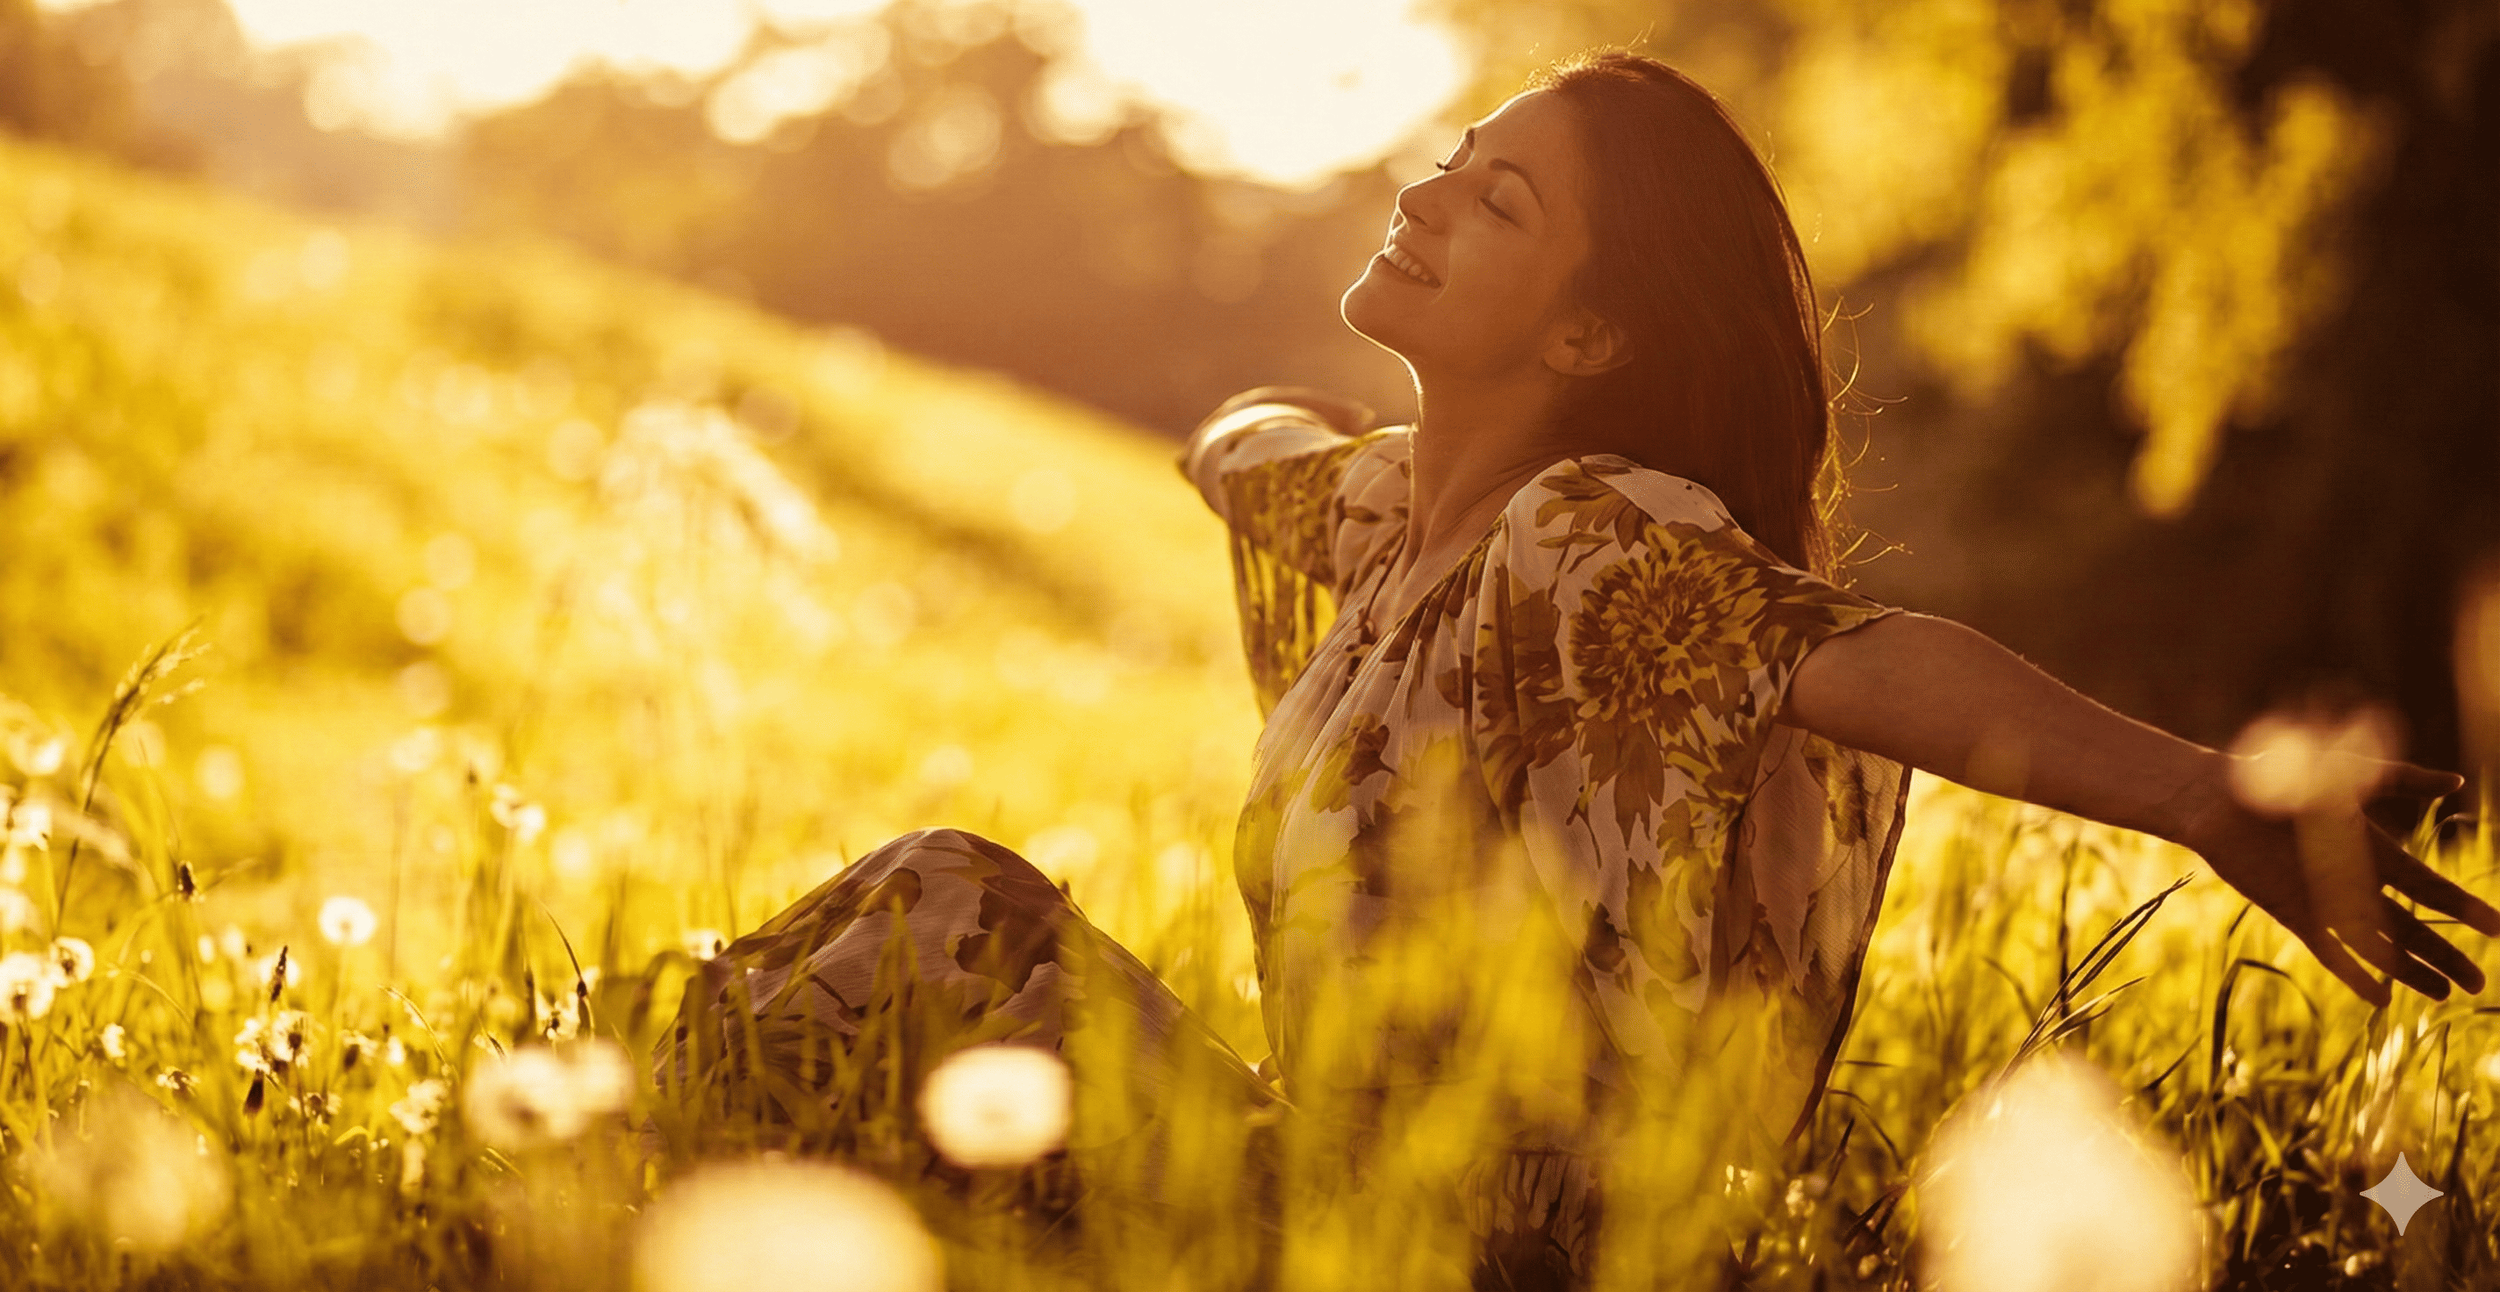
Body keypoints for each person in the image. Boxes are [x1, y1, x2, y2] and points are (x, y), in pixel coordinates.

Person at [656, 48, 2500, 1290]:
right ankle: (641, 1175)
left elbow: (1858, 654)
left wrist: (2198, 794)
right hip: (1322, 1190)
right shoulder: (1399, 528)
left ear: (1596, 328)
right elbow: (1237, 439)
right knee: (923, 918)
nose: (1433, 197)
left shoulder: (1590, 537)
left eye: (1502, 208)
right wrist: (1264, 452)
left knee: (945, 910)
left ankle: (598, 1199)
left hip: (1462, 1257)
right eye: (1454, 166)